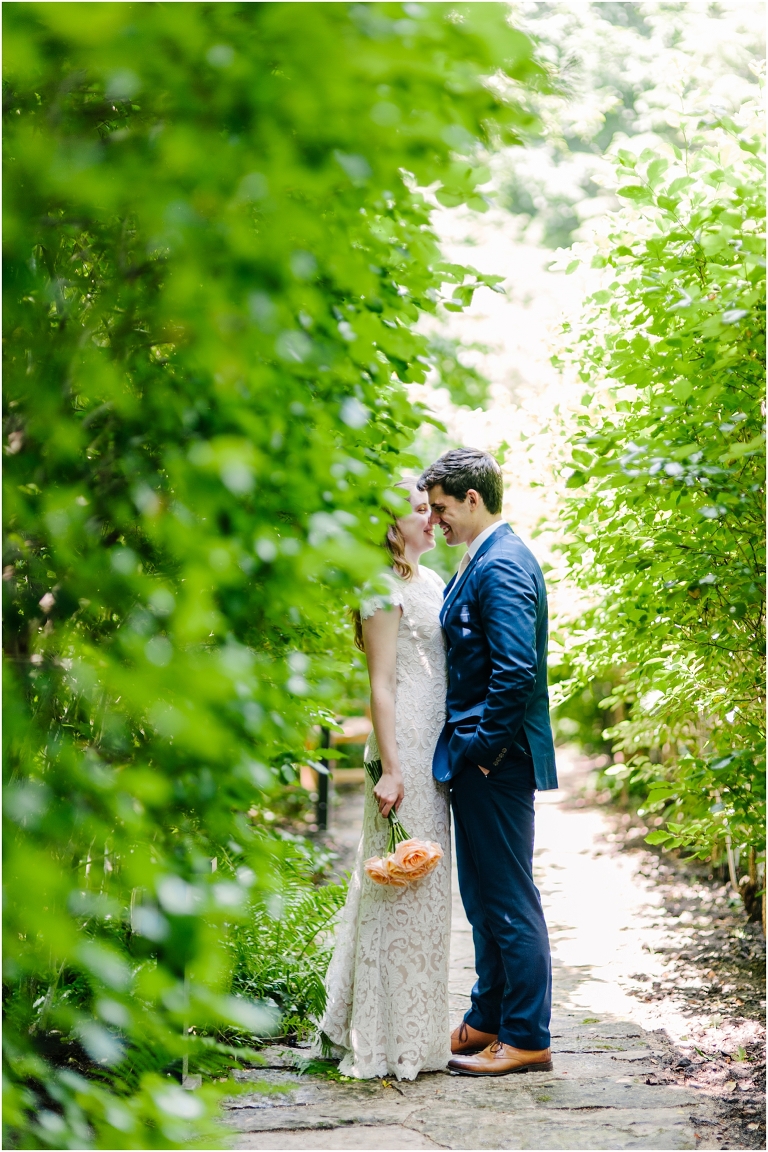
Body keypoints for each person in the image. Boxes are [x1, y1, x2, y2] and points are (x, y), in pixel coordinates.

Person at [419, 447, 558, 1077]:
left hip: (497, 761)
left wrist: (480, 752)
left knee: (507, 897)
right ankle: (487, 1019)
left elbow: (514, 672)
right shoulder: (485, 557)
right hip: (484, 759)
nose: (436, 519)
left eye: (443, 507)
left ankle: (527, 1036)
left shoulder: (502, 565)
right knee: (482, 894)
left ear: (472, 500)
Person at [314, 480, 451, 1080]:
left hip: (435, 746)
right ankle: (379, 1037)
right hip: (404, 750)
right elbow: (382, 683)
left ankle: (418, 1036)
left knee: (427, 892)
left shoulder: (433, 583)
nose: (431, 519)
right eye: (419, 511)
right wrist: (392, 767)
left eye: (431, 508)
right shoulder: (380, 588)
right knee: (397, 886)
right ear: (390, 527)